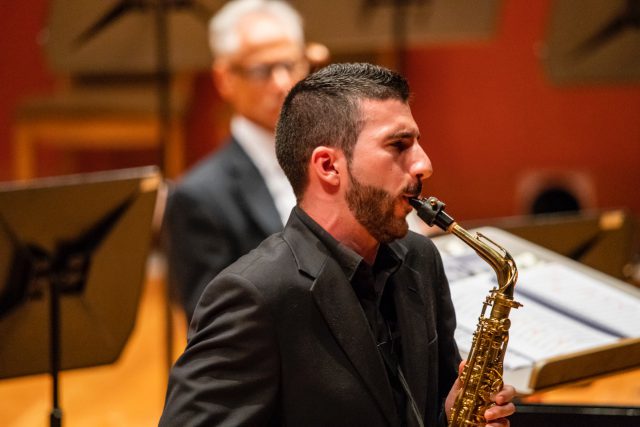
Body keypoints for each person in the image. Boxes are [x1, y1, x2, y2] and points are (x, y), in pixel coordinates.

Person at [159, 63, 516, 426]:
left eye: (418, 143)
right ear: (329, 165)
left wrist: (453, 416)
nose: (424, 164)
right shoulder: (255, 295)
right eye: (399, 145)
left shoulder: (420, 259)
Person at [163, 0, 314, 321]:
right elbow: (213, 325)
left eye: (291, 65)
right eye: (262, 70)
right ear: (225, 79)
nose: (282, 83)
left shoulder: (340, 156)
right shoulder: (198, 197)